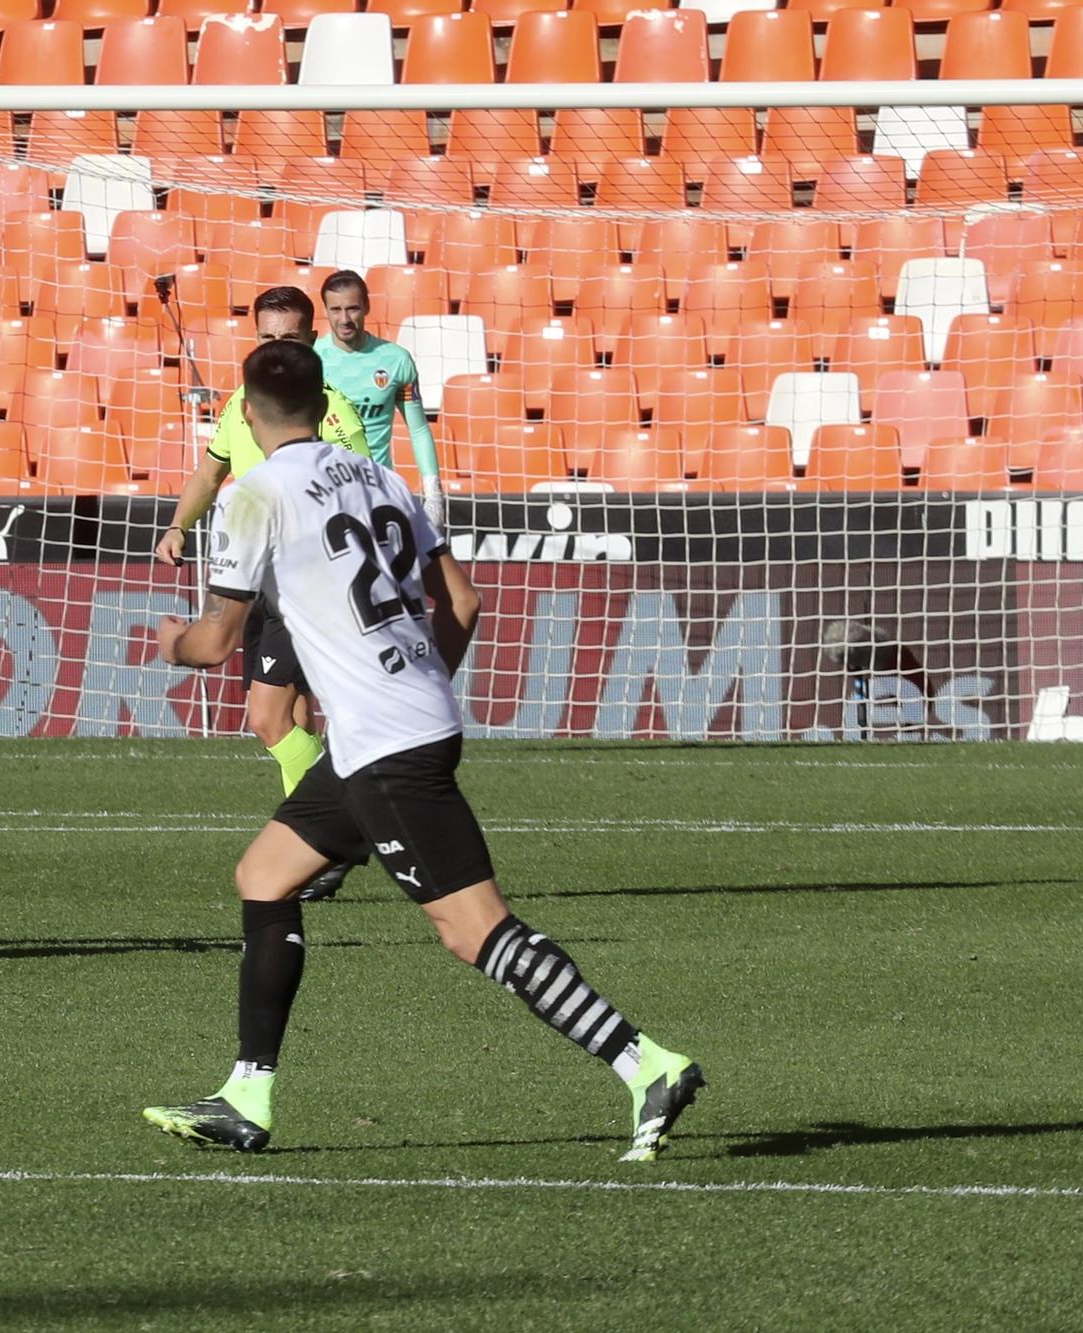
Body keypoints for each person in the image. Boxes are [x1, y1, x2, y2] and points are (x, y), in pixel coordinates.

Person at [141, 340, 704, 1162]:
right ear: (325, 405)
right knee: (264, 875)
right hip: (406, 719)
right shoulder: (379, 476)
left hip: (385, 746)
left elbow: (219, 640)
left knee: (472, 928)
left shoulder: (254, 495)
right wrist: (415, 679)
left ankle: (645, 1061)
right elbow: (464, 600)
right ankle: (246, 1094)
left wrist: (170, 645)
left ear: (249, 412)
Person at [155, 285, 368, 900]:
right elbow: (209, 471)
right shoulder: (239, 406)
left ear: (311, 342)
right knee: (294, 720)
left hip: (306, 582)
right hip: (253, 576)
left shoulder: (332, 414)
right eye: (267, 338)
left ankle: (345, 820)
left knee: (268, 719)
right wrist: (177, 526)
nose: (277, 350)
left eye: (291, 340)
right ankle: (317, 857)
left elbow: (358, 487)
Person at [316, 270, 443, 524]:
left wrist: (433, 495)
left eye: (352, 308)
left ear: (367, 307)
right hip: (323, 494)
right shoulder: (310, 358)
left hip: (378, 492)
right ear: (326, 310)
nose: (344, 319)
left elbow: (417, 430)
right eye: (335, 310)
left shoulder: (396, 360)